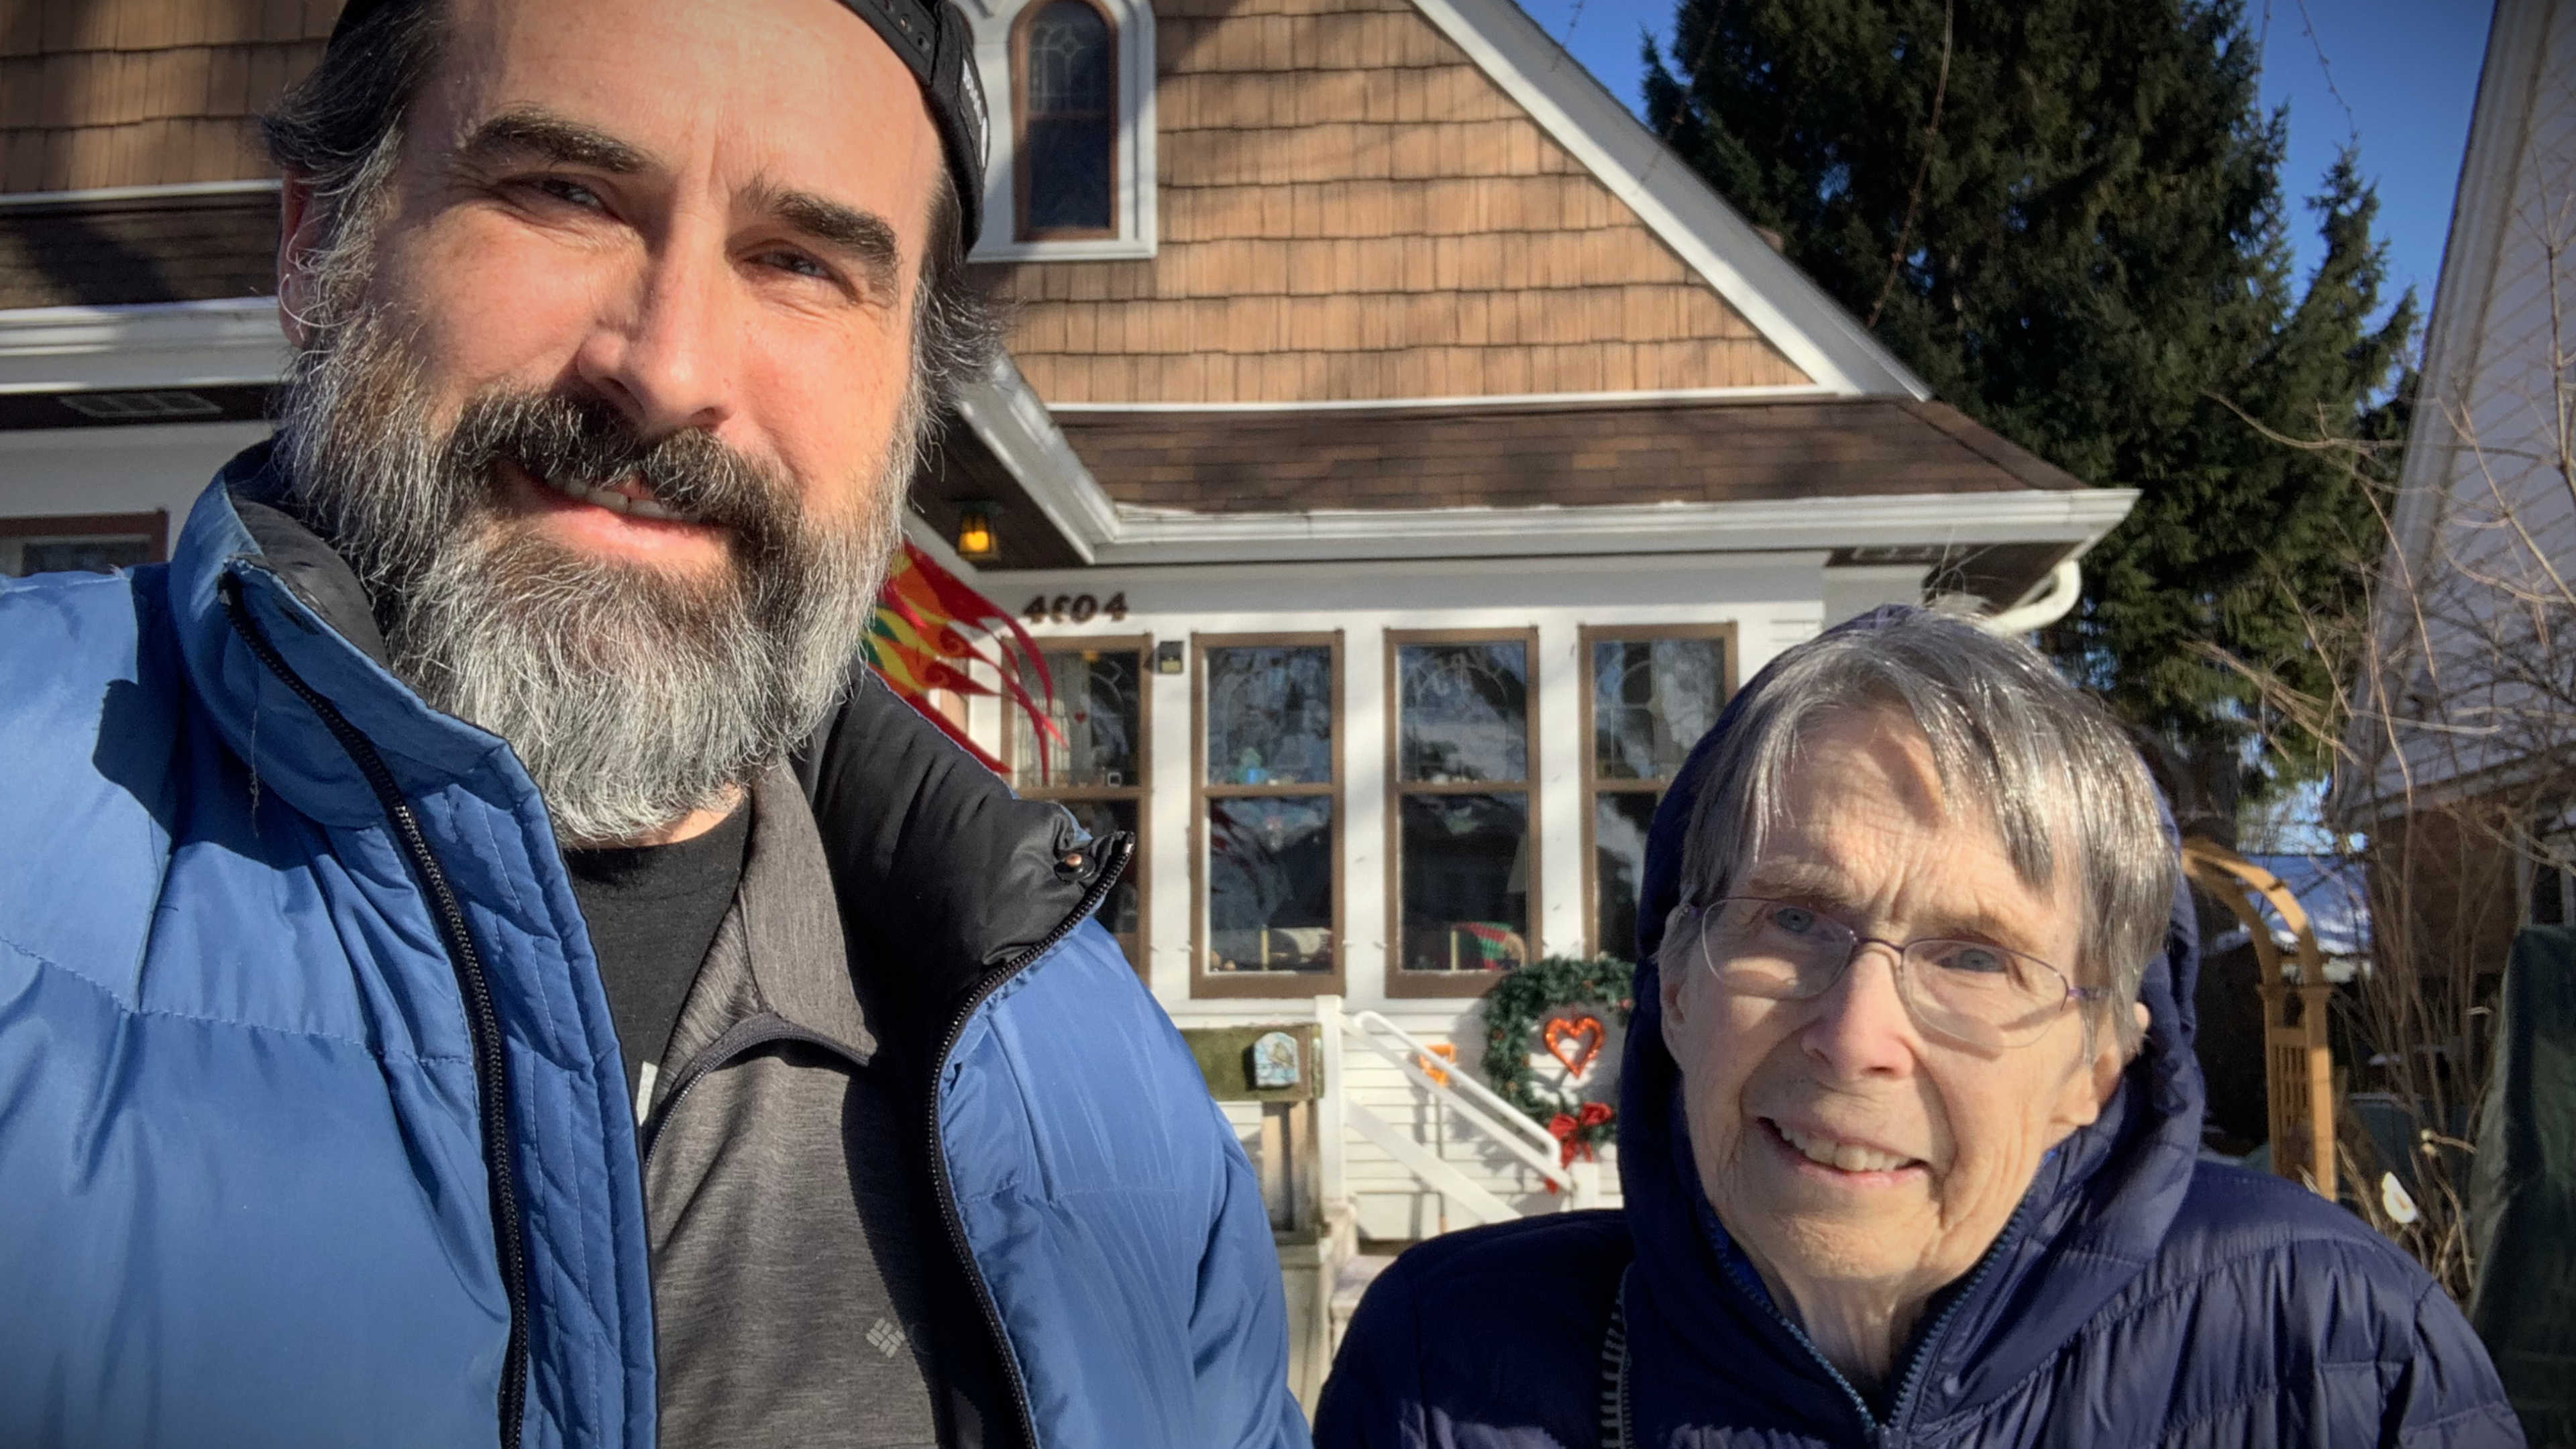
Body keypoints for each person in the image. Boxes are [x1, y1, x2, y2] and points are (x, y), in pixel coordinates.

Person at [0, 1, 1305, 1445]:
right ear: (320, 246)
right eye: (564, 194)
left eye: (800, 262)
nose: (669, 368)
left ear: (910, 398)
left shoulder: (1112, 1103)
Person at [1315, 609, 2520, 1447]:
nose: (1856, 1036)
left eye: (1975, 957)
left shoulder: (2344, 1354)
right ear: (1676, 983)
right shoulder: (1446, 1371)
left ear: (2098, 1062)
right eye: (1794, 918)